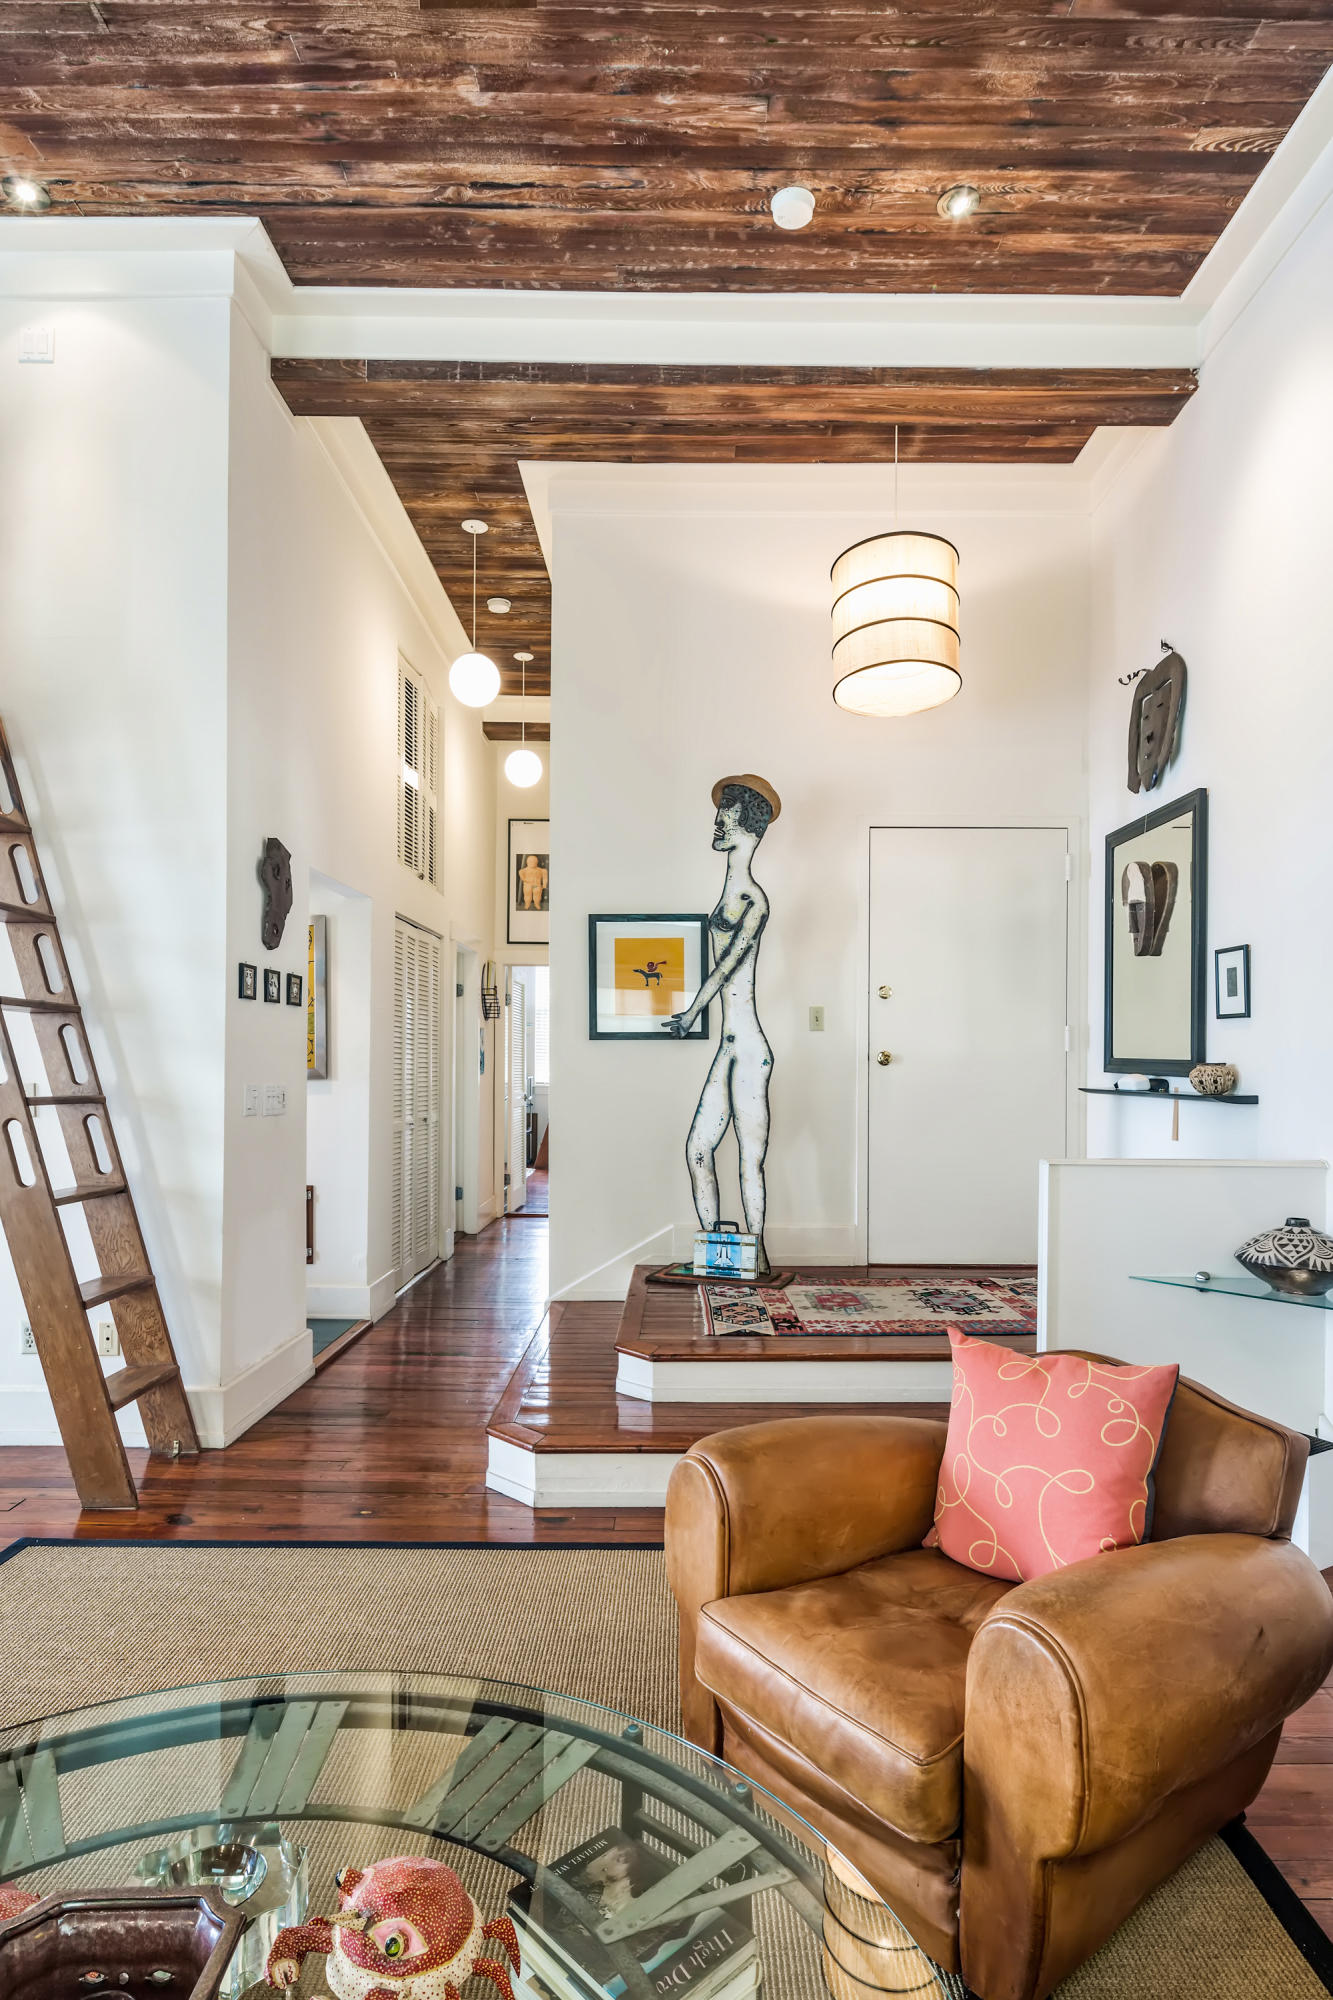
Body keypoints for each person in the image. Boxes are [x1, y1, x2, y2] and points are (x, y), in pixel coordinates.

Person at [665, 774, 780, 1274]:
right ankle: (719, 1255)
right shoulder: (729, 888)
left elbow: (730, 964)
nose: (716, 825)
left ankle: (756, 1257)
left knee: (748, 1162)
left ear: (748, 826)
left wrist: (692, 1012)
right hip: (728, 1044)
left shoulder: (754, 897)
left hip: (750, 1046)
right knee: (697, 1150)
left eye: (725, 818)